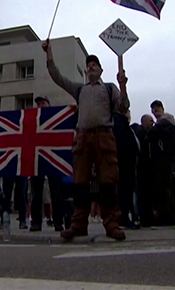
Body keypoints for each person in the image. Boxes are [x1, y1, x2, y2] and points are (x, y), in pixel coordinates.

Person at [43, 40, 129, 241]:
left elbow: (123, 107)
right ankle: (78, 224)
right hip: (82, 138)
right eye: (88, 64)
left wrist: (123, 86)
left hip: (104, 137)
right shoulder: (79, 89)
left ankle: (111, 224)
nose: (91, 66)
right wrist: (49, 54)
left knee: (107, 182)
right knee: (80, 182)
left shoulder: (109, 88)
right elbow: (57, 77)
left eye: (94, 64)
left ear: (100, 69)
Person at [28, 95, 66, 232]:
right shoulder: (32, 120)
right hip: (37, 159)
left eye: (42, 103)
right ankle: (36, 222)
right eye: (38, 104)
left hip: (53, 158)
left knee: (56, 192)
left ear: (49, 105)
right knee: (36, 193)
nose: (40, 106)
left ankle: (58, 222)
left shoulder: (56, 119)